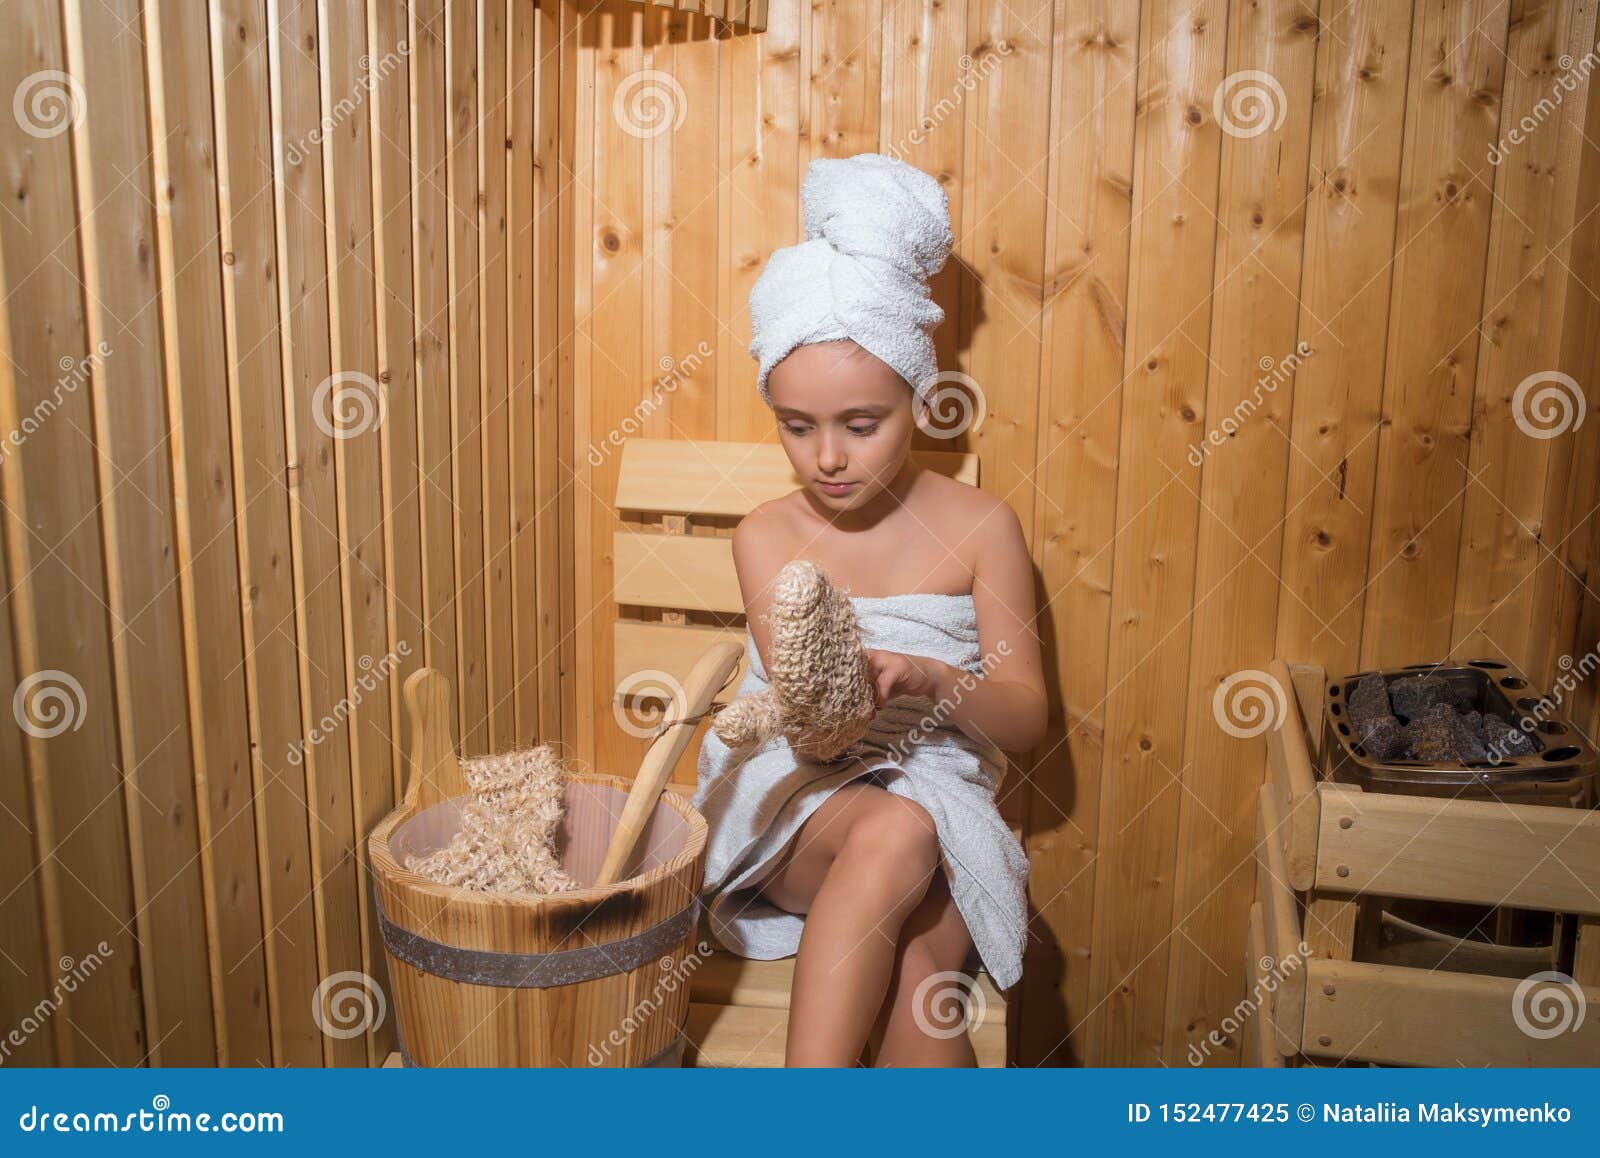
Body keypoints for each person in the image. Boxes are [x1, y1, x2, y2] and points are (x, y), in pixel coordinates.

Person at [692, 153, 1047, 1067]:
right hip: (804, 809)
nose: (829, 459)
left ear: (917, 400)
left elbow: (1025, 715)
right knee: (896, 828)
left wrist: (933, 683)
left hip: (939, 801)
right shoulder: (766, 536)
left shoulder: (982, 527)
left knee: (924, 986)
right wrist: (854, 698)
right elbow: (813, 734)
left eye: (862, 423)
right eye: (796, 426)